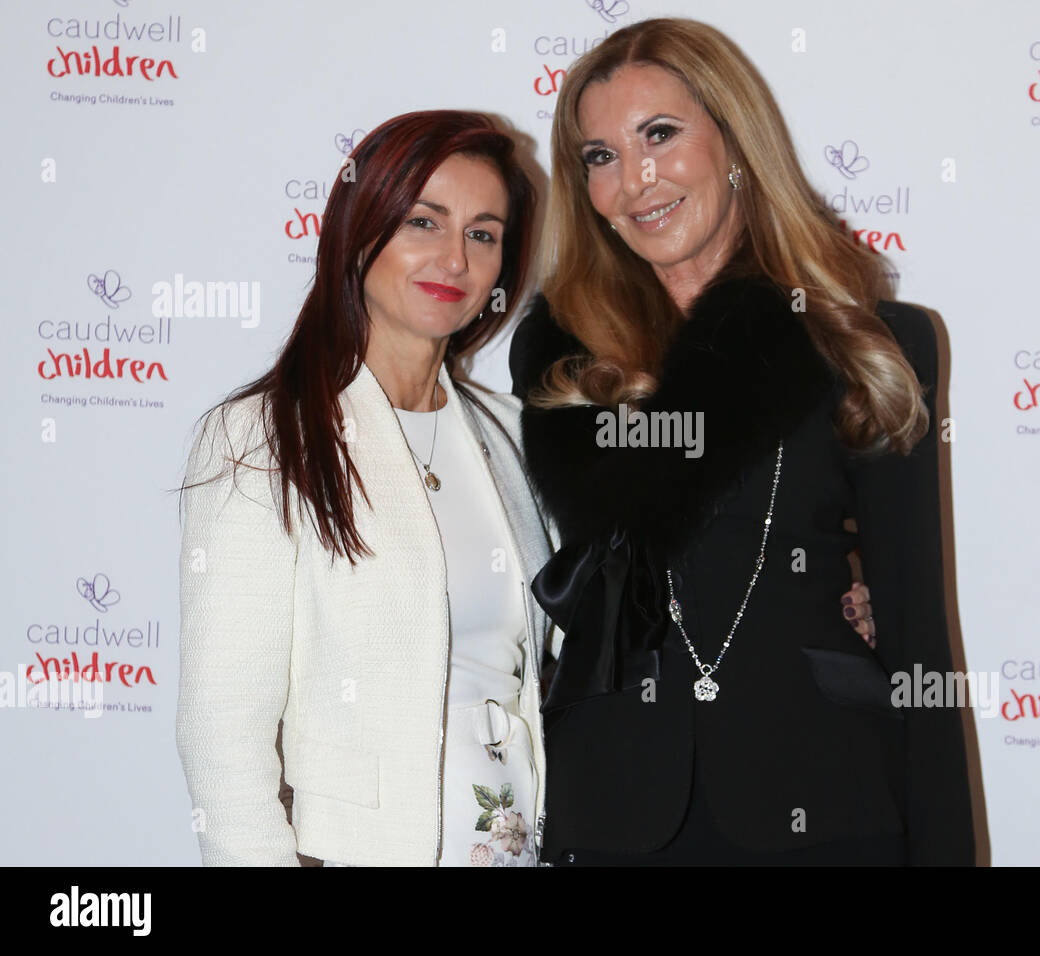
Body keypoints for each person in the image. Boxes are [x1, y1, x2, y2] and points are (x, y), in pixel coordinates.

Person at [509, 18, 976, 865]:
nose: (634, 180)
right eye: (601, 155)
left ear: (735, 139)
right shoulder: (564, 355)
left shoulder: (869, 343)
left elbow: (918, 639)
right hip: (613, 809)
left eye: (660, 134)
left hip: (825, 805)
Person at [175, 111, 555, 866]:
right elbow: (221, 728)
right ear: (361, 233)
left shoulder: (513, 434)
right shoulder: (262, 436)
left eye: (483, 234)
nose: (454, 258)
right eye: (423, 222)